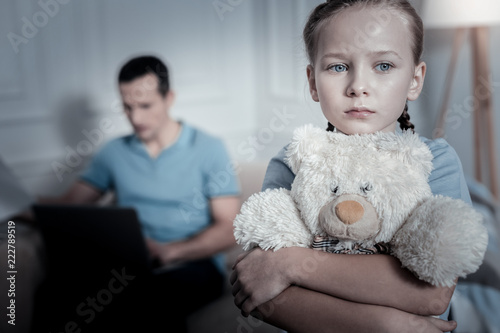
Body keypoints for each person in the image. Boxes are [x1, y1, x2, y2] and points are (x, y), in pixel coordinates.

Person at [230, 1, 469, 332]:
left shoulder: (437, 163)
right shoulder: (295, 162)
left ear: (415, 80)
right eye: (338, 67)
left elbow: (432, 295)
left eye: (383, 66)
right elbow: (260, 288)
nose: (358, 86)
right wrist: (385, 323)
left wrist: (290, 263)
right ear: (313, 82)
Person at [40, 55, 241, 331]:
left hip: (192, 265)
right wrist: (14, 204)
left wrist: (172, 252)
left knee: (148, 303)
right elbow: (67, 207)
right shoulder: (113, 152)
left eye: (145, 106)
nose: (136, 118)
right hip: (128, 264)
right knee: (54, 294)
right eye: (127, 107)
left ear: (169, 98)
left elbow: (229, 227)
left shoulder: (209, 148)